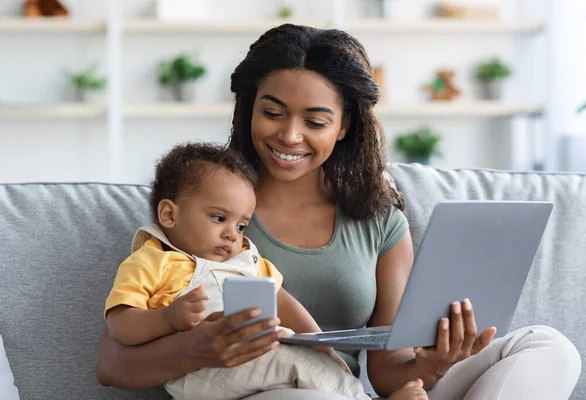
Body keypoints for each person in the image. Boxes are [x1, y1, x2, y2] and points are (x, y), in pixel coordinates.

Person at [97, 23, 581, 400]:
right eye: (273, 112)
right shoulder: (205, 204)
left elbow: (389, 371)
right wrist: (196, 347)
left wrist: (433, 364)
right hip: (257, 390)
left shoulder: (377, 215)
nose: (289, 136)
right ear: (248, 109)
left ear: (345, 125)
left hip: (354, 389)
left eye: (315, 120)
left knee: (546, 347)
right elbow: (112, 365)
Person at [103, 142, 426, 400]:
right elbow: (120, 325)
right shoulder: (151, 261)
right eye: (218, 218)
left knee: (303, 361)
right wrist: (168, 319)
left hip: (259, 360)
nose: (233, 234)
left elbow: (285, 303)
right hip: (202, 376)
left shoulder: (245, 258)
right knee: (295, 363)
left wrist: (324, 348)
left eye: (241, 224)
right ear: (169, 214)